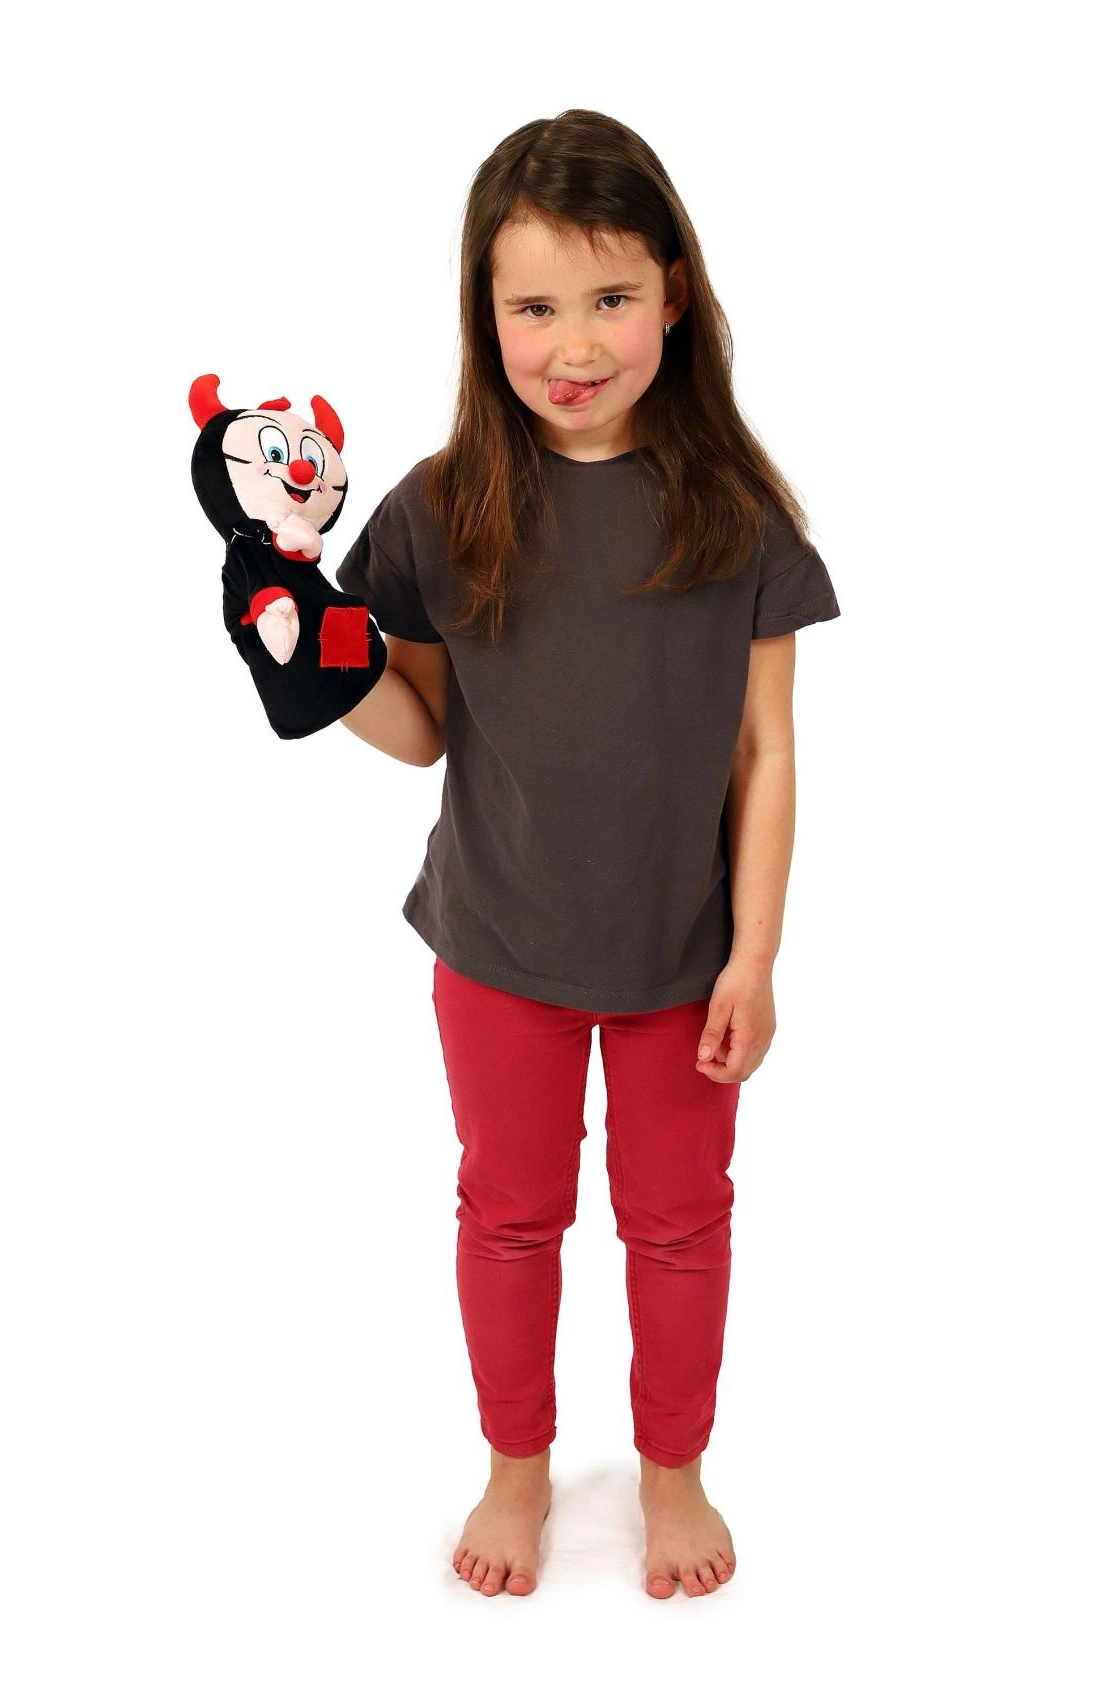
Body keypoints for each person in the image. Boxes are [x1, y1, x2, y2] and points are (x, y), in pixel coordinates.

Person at [336, 109, 842, 1601]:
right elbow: (419, 728)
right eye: (533, 307)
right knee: (509, 1216)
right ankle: (518, 1463)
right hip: (498, 949)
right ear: (484, 316)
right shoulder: (444, 507)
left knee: (680, 1225)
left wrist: (756, 955)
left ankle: (673, 1470)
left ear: (674, 294)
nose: (572, 344)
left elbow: (765, 754)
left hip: (685, 962)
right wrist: (310, 668)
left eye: (610, 297)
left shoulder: (737, 513)